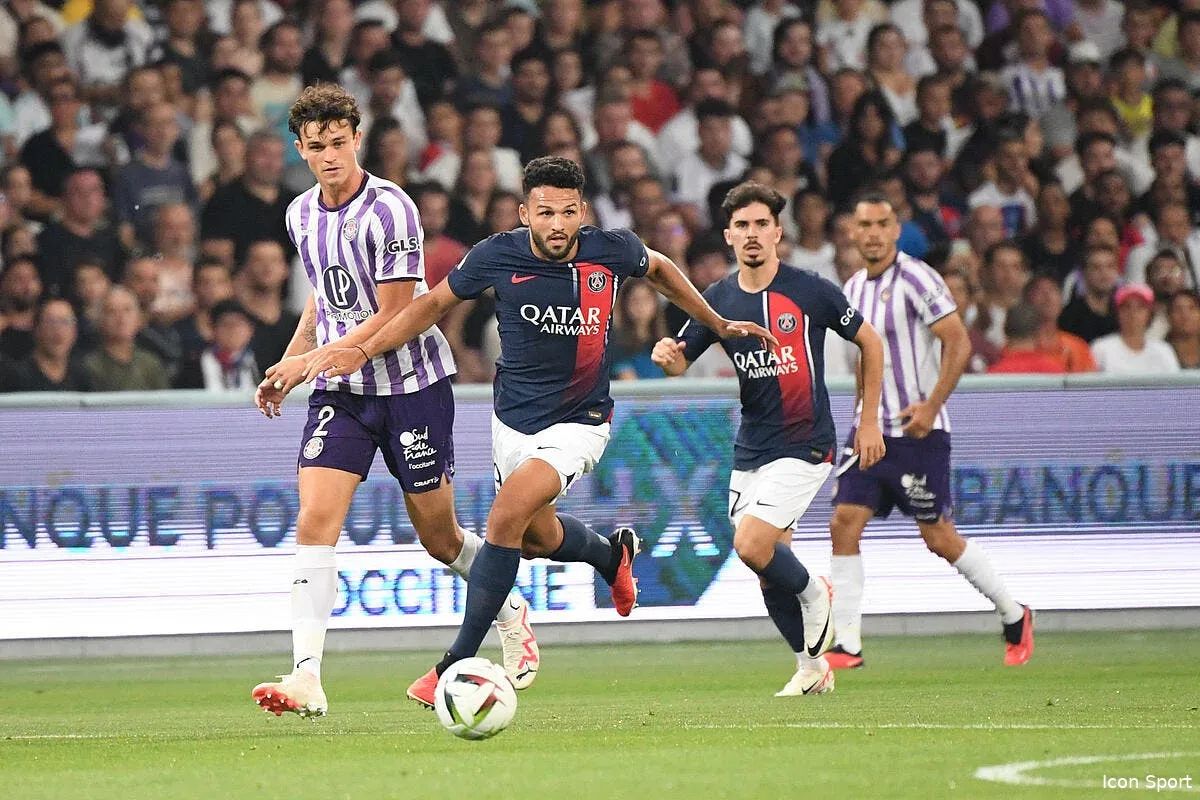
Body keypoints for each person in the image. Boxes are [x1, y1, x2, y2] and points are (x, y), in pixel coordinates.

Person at [299, 155, 774, 708]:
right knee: (534, 537)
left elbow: (662, 268)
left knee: (502, 517)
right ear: (525, 212)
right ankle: (609, 556)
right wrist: (360, 348)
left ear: (582, 213)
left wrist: (714, 325)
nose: (557, 225)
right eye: (544, 212)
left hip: (581, 421)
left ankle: (453, 663)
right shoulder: (496, 256)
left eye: (568, 213)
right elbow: (429, 305)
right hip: (512, 423)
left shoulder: (610, 249)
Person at [248, 84, 539, 721]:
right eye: (316, 146)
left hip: (412, 387)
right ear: (300, 149)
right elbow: (325, 298)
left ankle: (509, 607)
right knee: (314, 521)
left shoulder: (391, 209)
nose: (329, 155)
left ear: (357, 139)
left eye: (339, 142)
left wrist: (310, 359)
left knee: (439, 537)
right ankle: (306, 677)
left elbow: (395, 312)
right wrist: (301, 361)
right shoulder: (300, 215)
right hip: (343, 392)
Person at [651, 181, 886, 696]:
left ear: (778, 232)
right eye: (742, 226)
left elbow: (870, 340)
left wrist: (868, 420)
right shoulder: (718, 298)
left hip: (805, 443)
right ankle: (811, 666)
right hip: (751, 447)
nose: (752, 234)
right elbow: (680, 362)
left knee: (750, 544)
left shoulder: (810, 290)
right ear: (729, 237)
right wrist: (668, 357)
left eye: (762, 224)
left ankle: (819, 594)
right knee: (765, 566)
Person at [827, 193, 1034, 670]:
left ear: (896, 230)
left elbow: (957, 342)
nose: (874, 232)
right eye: (865, 224)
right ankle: (848, 644)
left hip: (918, 433)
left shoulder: (918, 277)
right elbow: (863, 359)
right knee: (843, 523)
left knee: (939, 538)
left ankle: (1014, 613)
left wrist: (932, 405)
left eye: (883, 223)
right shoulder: (853, 288)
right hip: (870, 434)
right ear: (853, 233)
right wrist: (861, 417)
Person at [1090, 284, 1182, 374]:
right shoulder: (1101, 348)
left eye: (1140, 307)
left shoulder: (1164, 351)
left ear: (1149, 314)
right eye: (1126, 307)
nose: (1132, 313)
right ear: (1117, 313)